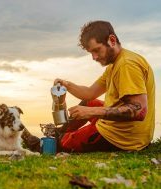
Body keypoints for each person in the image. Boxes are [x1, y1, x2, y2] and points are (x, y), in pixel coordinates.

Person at [22, 20, 155, 152]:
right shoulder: (116, 64)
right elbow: (90, 93)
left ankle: (40, 145)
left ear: (112, 40)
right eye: (91, 52)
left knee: (69, 140)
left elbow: (139, 110)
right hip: (131, 131)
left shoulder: (127, 65)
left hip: (123, 137)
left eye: (97, 50)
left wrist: (90, 112)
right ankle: (58, 133)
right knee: (89, 102)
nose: (94, 57)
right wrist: (67, 85)